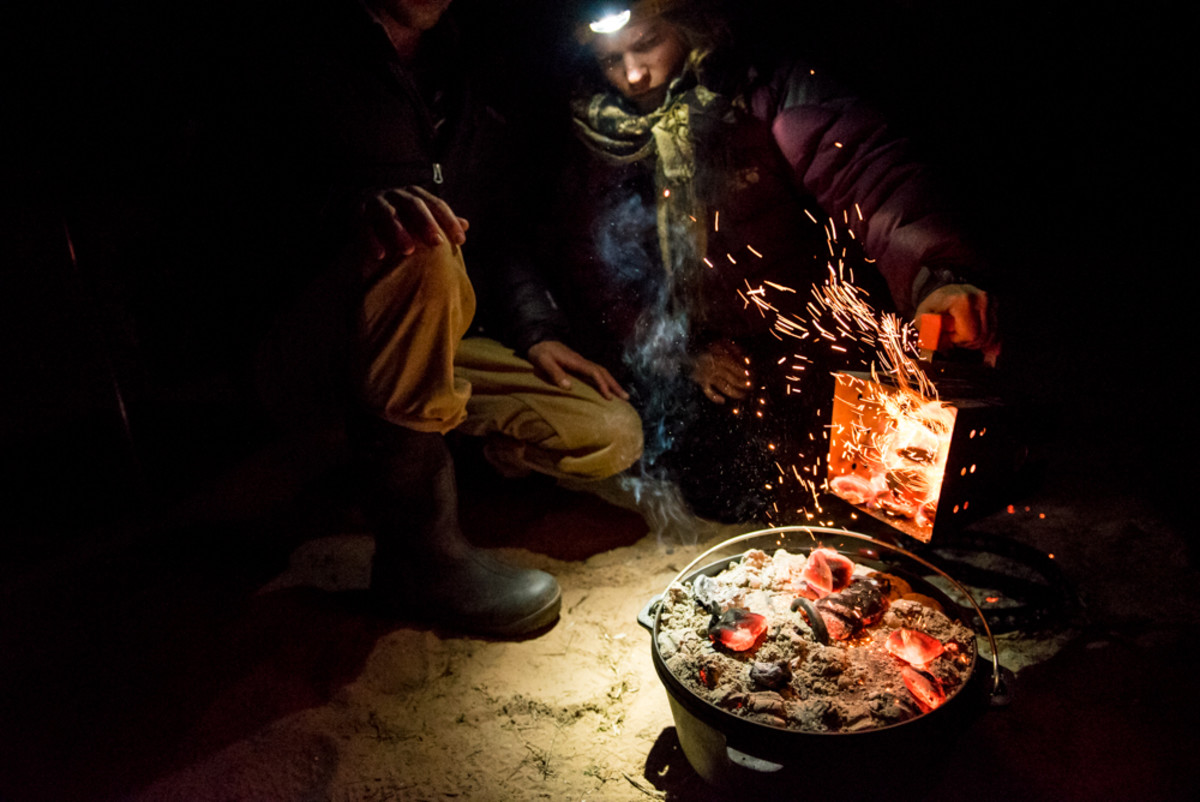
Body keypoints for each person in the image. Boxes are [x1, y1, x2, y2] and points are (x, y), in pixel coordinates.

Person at [196, 0, 644, 636]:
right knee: (421, 245)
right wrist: (355, 211)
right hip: (311, 343)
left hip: (428, 336)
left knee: (608, 431)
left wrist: (535, 331)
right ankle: (421, 560)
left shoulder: (464, 64)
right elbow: (225, 209)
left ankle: (406, 465)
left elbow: (491, 232)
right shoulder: (291, 51)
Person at [531, 0, 1000, 521]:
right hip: (701, 347)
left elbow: (869, 175)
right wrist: (686, 355)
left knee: (874, 482)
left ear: (691, 27)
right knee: (725, 492)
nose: (633, 74)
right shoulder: (596, 136)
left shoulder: (763, 89)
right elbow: (596, 272)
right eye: (611, 60)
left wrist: (936, 275)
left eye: (646, 44)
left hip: (808, 327)